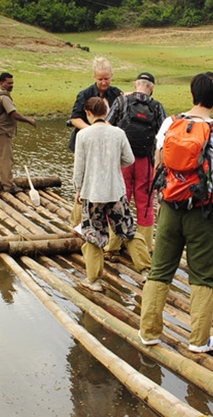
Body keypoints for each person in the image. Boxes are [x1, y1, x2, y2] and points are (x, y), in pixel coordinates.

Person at [138, 72, 213, 353]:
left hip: (170, 207)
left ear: (192, 93)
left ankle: (148, 332)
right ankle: (198, 340)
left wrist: (164, 198)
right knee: (203, 276)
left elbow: (160, 164)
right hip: (203, 212)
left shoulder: (170, 123)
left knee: (160, 270)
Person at [73, 97, 152, 291]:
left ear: (88, 113)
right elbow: (129, 159)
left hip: (92, 193)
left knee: (93, 235)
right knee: (128, 231)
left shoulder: (83, 135)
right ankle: (146, 271)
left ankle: (94, 280)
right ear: (106, 111)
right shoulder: (118, 133)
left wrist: (78, 189)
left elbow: (79, 168)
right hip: (116, 191)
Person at [104, 72, 166, 253]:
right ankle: (143, 248)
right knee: (145, 204)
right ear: (152, 88)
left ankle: (113, 245)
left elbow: (107, 125)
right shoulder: (157, 107)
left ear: (135, 84)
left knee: (118, 200)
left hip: (122, 160)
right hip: (145, 161)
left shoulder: (122, 101)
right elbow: (164, 138)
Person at [68, 57, 124, 228]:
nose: (103, 82)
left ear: (112, 76)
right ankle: (76, 222)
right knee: (84, 182)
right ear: (94, 77)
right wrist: (93, 132)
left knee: (106, 180)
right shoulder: (85, 95)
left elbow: (122, 119)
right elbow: (75, 118)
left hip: (108, 146)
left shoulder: (117, 95)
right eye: (100, 79)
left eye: (106, 78)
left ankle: (105, 224)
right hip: (86, 143)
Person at [0, 72, 37, 194]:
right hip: (2, 132)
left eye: (12, 83)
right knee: (6, 159)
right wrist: (29, 121)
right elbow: (14, 114)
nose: (11, 85)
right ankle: (8, 186)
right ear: (2, 83)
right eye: (9, 83)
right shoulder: (4, 97)